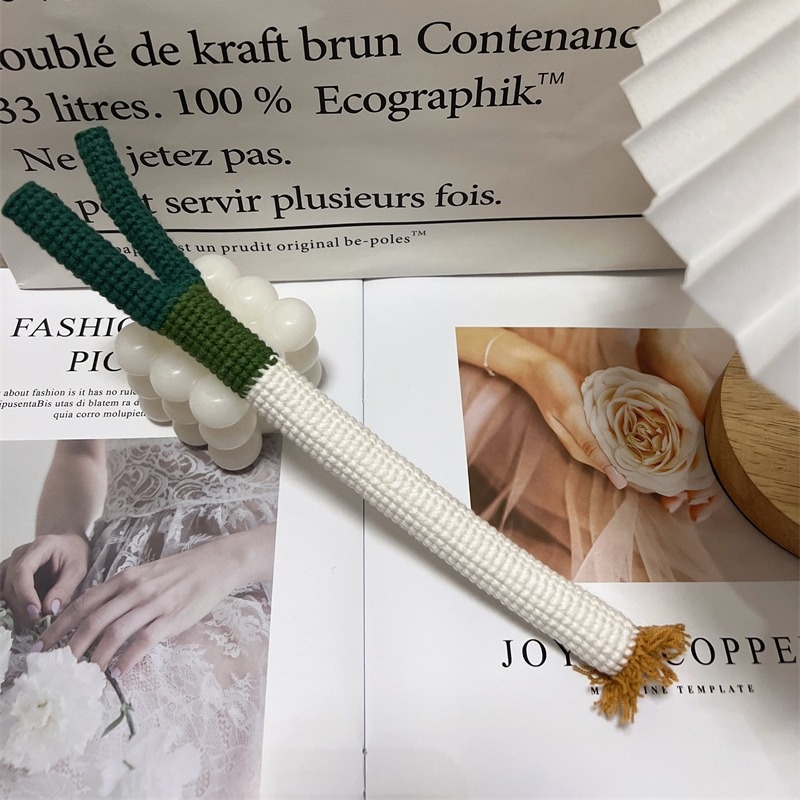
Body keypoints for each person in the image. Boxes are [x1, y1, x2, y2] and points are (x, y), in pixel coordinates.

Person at [0, 435, 280, 797]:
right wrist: (67, 533)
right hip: (105, 568)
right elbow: (79, 450)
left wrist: (233, 558)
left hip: (241, 579)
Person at [455, 326, 792, 582]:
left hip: (636, 331)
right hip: (497, 349)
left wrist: (663, 342)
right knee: (630, 563)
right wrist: (532, 366)